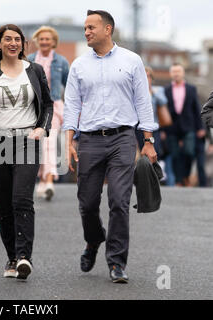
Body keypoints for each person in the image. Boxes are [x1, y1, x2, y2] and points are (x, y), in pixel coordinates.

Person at [63, 10, 157, 283]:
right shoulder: (79, 65)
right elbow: (72, 105)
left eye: (91, 27)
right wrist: (69, 140)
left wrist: (148, 141)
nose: (86, 32)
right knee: (87, 203)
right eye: (84, 28)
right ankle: (93, 241)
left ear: (108, 29)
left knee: (119, 201)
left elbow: (143, 101)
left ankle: (116, 262)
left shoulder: (132, 61)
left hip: (122, 139)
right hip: (90, 140)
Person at [0, 24, 53, 280]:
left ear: (22, 44)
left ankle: (24, 257)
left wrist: (43, 128)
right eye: (7, 39)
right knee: (5, 204)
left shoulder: (35, 71)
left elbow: (48, 104)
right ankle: (11, 257)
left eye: (17, 39)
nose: (13, 43)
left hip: (27, 139)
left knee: (22, 199)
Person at [28, 26, 69, 200]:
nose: (45, 42)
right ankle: (43, 179)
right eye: (42, 39)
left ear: (54, 42)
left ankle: (49, 180)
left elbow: (70, 87)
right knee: (38, 143)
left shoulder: (61, 62)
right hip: (33, 107)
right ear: (37, 41)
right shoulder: (29, 61)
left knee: (50, 142)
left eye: (48, 39)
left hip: (54, 106)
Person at [163, 63, 205, 186]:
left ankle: (186, 175)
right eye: (174, 72)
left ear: (183, 73)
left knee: (189, 151)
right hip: (171, 127)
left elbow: (196, 108)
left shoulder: (191, 89)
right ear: (171, 74)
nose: (176, 74)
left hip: (189, 126)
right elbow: (162, 110)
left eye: (178, 71)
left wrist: (200, 127)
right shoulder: (165, 90)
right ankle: (179, 180)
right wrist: (163, 130)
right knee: (174, 154)